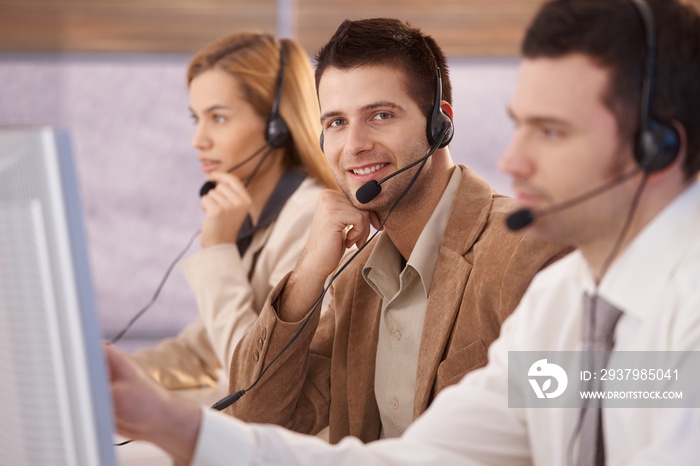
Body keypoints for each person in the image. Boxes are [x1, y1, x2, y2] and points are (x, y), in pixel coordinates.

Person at [105, 0, 700, 464]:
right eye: (336, 122)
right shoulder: (564, 301)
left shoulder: (561, 273)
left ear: (658, 146)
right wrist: (175, 427)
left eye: (550, 131)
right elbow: (420, 456)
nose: (513, 160)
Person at [130, 32, 337, 391]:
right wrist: (103, 369)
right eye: (196, 118)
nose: (198, 140)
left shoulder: (310, 218)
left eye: (219, 118)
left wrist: (218, 249)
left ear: (277, 127)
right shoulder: (254, 221)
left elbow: (257, 378)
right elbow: (198, 355)